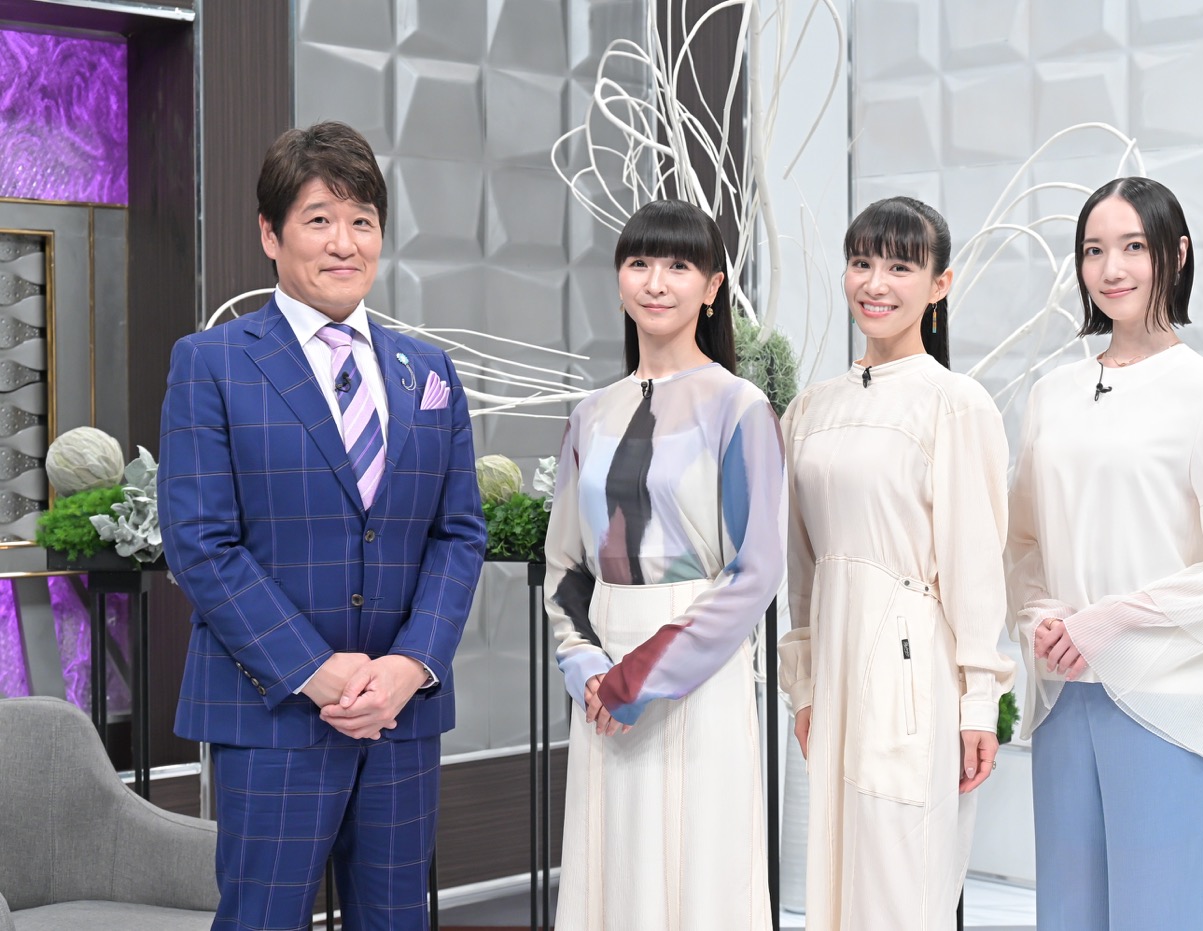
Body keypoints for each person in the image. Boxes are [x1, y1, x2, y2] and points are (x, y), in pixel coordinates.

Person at [158, 121, 486, 930]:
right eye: (318, 219)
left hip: (401, 718)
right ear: (270, 235)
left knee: (397, 918)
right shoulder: (213, 362)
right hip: (272, 715)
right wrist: (316, 670)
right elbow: (201, 542)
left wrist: (410, 664)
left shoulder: (428, 370)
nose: (345, 242)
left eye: (362, 220)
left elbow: (457, 534)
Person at [1007, 176, 1203, 930]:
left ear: (1177, 253)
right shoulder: (1052, 394)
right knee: (1067, 912)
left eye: (1133, 246)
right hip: (1065, 688)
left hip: (1162, 695)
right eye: (1094, 250)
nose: (1112, 268)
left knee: (1157, 913)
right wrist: (1041, 616)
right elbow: (1024, 541)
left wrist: (1114, 618)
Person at [543, 198, 786, 930]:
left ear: (712, 287)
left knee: (697, 873)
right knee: (611, 873)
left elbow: (756, 570)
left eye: (679, 265)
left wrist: (638, 679)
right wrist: (587, 667)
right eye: (640, 262)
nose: (656, 281)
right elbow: (564, 563)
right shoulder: (590, 413)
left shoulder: (740, 407)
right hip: (601, 678)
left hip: (696, 674)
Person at [778, 196, 1015, 930]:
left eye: (900, 267)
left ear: (940, 284)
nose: (875, 284)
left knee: (901, 883)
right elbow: (802, 566)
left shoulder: (955, 402)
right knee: (836, 882)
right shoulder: (810, 408)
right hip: (835, 670)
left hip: (914, 667)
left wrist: (979, 703)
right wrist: (804, 684)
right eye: (861, 263)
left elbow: (977, 567)